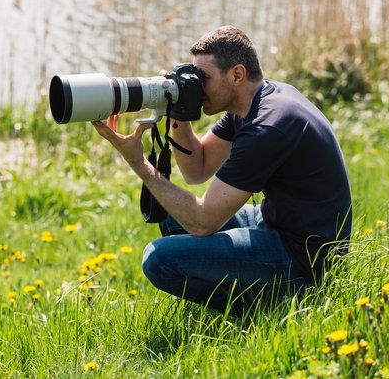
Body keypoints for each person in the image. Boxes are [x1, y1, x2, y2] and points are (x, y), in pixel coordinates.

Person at [92, 26, 351, 315]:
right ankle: (254, 290)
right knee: (171, 217)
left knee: (158, 259)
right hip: (279, 222)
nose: (196, 86)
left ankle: (263, 310)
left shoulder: (268, 126)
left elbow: (203, 222)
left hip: (306, 259)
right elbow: (197, 169)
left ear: (236, 75)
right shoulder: (257, 100)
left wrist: (139, 164)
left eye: (203, 79)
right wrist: (179, 109)